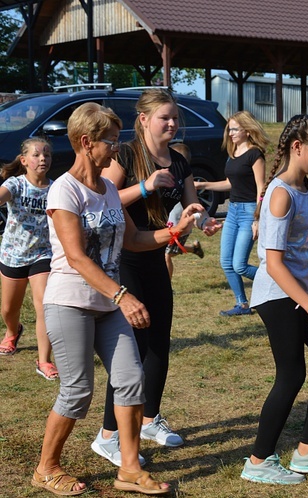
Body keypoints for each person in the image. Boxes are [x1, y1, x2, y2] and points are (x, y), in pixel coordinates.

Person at [31, 102, 203, 495]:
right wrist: (123, 294)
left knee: (130, 381)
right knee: (77, 392)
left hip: (108, 305)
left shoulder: (108, 189)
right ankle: (46, 466)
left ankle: (128, 469)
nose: (116, 148)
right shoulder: (64, 189)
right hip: (70, 302)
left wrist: (177, 231)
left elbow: (134, 239)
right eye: (110, 141)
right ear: (86, 142)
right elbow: (75, 256)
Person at [92, 89, 221, 466]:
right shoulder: (129, 155)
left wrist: (204, 219)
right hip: (128, 257)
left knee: (159, 343)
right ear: (144, 119)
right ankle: (109, 435)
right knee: (130, 351)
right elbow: (104, 195)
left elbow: (191, 203)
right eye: (165, 117)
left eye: (175, 118)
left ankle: (149, 419)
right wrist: (146, 185)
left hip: (157, 256)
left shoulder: (179, 161)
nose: (172, 124)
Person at [240, 114, 308, 485]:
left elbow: (301, 243)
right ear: (298, 147)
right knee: (291, 376)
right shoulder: (280, 193)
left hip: (301, 292)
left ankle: (307, 451)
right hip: (279, 296)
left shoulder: (303, 188)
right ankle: (258, 460)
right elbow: (272, 263)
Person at [194, 110, 270, 316]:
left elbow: (261, 189)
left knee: (240, 265)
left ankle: (278, 282)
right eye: (229, 129)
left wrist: (257, 219)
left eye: (234, 129)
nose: (230, 133)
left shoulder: (255, 154)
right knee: (226, 263)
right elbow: (230, 183)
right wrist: (203, 185)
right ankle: (242, 305)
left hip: (248, 212)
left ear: (246, 129)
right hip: (233, 211)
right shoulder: (233, 154)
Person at [0, 138, 58, 380]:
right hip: (13, 255)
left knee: (44, 306)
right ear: (24, 161)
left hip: (43, 254)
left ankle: (44, 360)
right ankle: (13, 331)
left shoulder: (56, 188)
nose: (42, 158)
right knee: (7, 308)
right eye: (36, 155)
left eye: (46, 154)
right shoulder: (16, 184)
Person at [164, 143, 204, 281]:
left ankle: (166, 285)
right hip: (170, 227)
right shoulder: (167, 179)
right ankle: (194, 248)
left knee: (167, 254)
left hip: (178, 227)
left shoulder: (182, 183)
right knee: (169, 252)